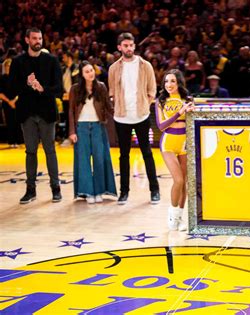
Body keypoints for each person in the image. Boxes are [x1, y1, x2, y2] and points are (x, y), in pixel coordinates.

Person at [8, 27, 63, 204]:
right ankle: (30, 190)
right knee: (30, 152)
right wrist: (26, 83)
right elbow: (11, 89)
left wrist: (42, 89)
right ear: (27, 40)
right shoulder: (17, 62)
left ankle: (56, 188)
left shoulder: (52, 60)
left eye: (40, 38)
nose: (38, 41)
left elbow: (59, 89)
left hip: (47, 112)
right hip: (27, 113)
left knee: (50, 151)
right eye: (34, 38)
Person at [108, 32, 160, 205]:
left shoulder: (145, 66)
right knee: (124, 156)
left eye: (131, 45)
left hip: (141, 115)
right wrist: (118, 103)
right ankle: (124, 192)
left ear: (134, 46)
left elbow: (152, 90)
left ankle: (155, 190)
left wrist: (144, 104)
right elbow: (112, 92)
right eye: (125, 45)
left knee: (147, 153)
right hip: (121, 117)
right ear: (119, 47)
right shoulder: (114, 68)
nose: (129, 48)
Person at [68, 61, 117, 204]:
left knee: (100, 159)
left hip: (98, 127)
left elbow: (108, 107)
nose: (91, 73)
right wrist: (72, 131)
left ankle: (100, 191)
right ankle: (88, 192)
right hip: (81, 128)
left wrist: (121, 115)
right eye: (87, 71)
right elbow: (71, 111)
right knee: (83, 161)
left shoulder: (101, 87)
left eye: (91, 70)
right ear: (82, 75)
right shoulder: (75, 89)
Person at [155, 69, 194, 231]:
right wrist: (179, 112)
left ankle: (179, 218)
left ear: (178, 83)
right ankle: (172, 214)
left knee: (184, 183)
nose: (169, 85)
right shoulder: (161, 101)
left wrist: (191, 110)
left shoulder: (187, 99)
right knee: (177, 180)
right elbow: (162, 126)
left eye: (172, 81)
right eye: (166, 81)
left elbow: (192, 122)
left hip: (185, 142)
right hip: (168, 143)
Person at [1, 58, 21, 148]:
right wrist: (9, 102)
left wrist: (14, 100)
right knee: (10, 122)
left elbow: (20, 91)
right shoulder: (1, 78)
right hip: (7, 103)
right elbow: (0, 93)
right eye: (7, 66)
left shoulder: (17, 78)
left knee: (17, 121)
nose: (8, 67)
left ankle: (18, 141)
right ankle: (11, 141)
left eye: (10, 66)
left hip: (17, 102)